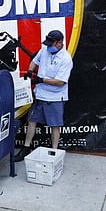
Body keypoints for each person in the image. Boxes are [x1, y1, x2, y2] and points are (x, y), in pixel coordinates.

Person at [14, 30, 73, 162]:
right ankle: (26, 148)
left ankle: (54, 151)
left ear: (59, 43)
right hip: (40, 95)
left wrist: (41, 80)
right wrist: (30, 71)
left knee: (55, 125)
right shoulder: (44, 50)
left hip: (55, 97)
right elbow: (34, 61)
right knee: (32, 121)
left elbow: (61, 82)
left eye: (51, 44)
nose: (48, 47)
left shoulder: (66, 59)